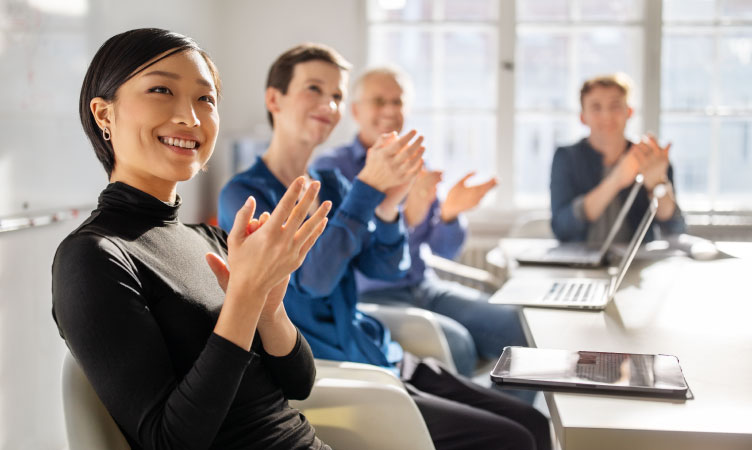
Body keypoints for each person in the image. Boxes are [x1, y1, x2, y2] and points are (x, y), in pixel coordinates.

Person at [218, 44, 551, 450]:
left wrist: (390, 204)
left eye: (337, 95)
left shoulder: (334, 184)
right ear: (274, 99)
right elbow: (313, 283)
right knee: (511, 439)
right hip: (338, 372)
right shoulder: (245, 194)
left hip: (379, 352)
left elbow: (387, 268)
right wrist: (369, 190)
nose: (329, 103)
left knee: (532, 422)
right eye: (314, 89)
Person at [52, 28, 333, 450]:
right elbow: (170, 441)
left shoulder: (211, 239)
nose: (192, 118)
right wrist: (244, 297)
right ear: (104, 115)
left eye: (206, 98)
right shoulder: (94, 256)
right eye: (161, 89)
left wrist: (268, 307)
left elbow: (299, 383)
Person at [312, 66, 528, 377]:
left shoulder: (416, 164)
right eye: (379, 101)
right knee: (459, 345)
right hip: (371, 296)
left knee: (520, 329)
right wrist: (405, 218)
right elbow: (340, 252)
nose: (390, 110)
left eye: (397, 102)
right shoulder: (331, 168)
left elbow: (444, 250)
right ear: (356, 111)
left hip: (425, 287)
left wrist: (451, 214)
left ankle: (509, 420)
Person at [550, 73, 686, 243]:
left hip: (636, 263)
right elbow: (562, 228)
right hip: (578, 263)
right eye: (596, 107)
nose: (607, 116)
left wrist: (658, 184)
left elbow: (675, 229)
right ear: (583, 117)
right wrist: (617, 179)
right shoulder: (567, 158)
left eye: (615, 106)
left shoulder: (650, 157)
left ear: (629, 112)